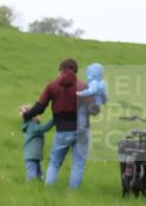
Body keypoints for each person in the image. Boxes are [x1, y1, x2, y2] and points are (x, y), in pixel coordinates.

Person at [22, 58, 89, 189]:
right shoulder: (83, 86)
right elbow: (94, 109)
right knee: (78, 165)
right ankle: (73, 196)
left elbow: (40, 107)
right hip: (82, 130)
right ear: (76, 71)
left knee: (55, 163)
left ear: (60, 71)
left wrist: (26, 115)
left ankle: (49, 191)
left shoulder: (52, 86)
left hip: (62, 130)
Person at [19, 105, 54, 181]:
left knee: (39, 176)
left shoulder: (33, 124)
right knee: (32, 176)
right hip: (31, 156)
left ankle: (37, 186)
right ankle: (30, 187)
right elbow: (44, 128)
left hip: (35, 155)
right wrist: (54, 119)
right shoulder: (32, 126)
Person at [76, 62, 108, 128]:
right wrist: (104, 101)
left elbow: (90, 91)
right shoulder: (103, 82)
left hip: (92, 102)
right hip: (98, 104)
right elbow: (105, 94)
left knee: (82, 111)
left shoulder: (94, 82)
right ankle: (85, 125)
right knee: (86, 113)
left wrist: (80, 93)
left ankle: (81, 125)